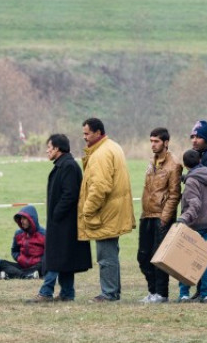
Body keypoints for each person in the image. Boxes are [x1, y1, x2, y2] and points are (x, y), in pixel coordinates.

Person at [78, 117, 135, 302]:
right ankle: (113, 291)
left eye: (87, 133)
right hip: (114, 210)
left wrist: (87, 210)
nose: (84, 137)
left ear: (98, 132)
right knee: (111, 253)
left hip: (106, 213)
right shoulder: (113, 146)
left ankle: (109, 293)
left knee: (106, 256)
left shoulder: (101, 154)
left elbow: (100, 187)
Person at [32, 134, 91, 302]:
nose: (47, 150)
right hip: (61, 222)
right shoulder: (62, 164)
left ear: (57, 148)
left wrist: (56, 214)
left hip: (65, 223)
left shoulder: (68, 166)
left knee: (55, 258)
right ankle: (67, 293)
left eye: (49, 147)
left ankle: (46, 292)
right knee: (65, 259)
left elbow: (70, 194)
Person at [137, 127, 182, 303]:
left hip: (162, 216)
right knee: (143, 256)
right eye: (151, 141)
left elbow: (174, 194)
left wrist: (165, 217)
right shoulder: (152, 161)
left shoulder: (174, 164)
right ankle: (152, 291)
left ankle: (161, 294)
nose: (153, 145)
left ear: (166, 142)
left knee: (158, 257)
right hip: (147, 214)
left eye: (156, 141)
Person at [175, 149, 207, 303]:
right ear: (200, 160)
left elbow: (195, 204)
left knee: (186, 259)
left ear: (185, 165)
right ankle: (206, 294)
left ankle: (184, 293)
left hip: (195, 225)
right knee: (204, 260)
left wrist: (184, 218)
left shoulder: (192, 181)